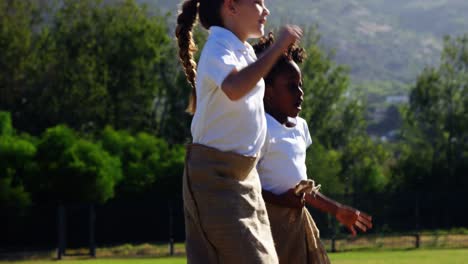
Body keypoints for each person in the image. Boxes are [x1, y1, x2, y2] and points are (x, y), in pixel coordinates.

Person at [175, 0, 302, 263]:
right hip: (215, 178)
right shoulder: (217, 48)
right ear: (230, 7)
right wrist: (278, 47)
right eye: (257, 2)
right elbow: (233, 87)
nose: (265, 10)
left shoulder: (242, 50)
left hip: (245, 177)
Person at [254, 33, 373, 264]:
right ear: (267, 92)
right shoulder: (259, 127)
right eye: (290, 87)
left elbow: (303, 188)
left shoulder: (301, 128)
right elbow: (247, 186)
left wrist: (336, 210)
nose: (300, 93)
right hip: (267, 225)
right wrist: (281, 200)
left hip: (297, 223)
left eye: (300, 86)